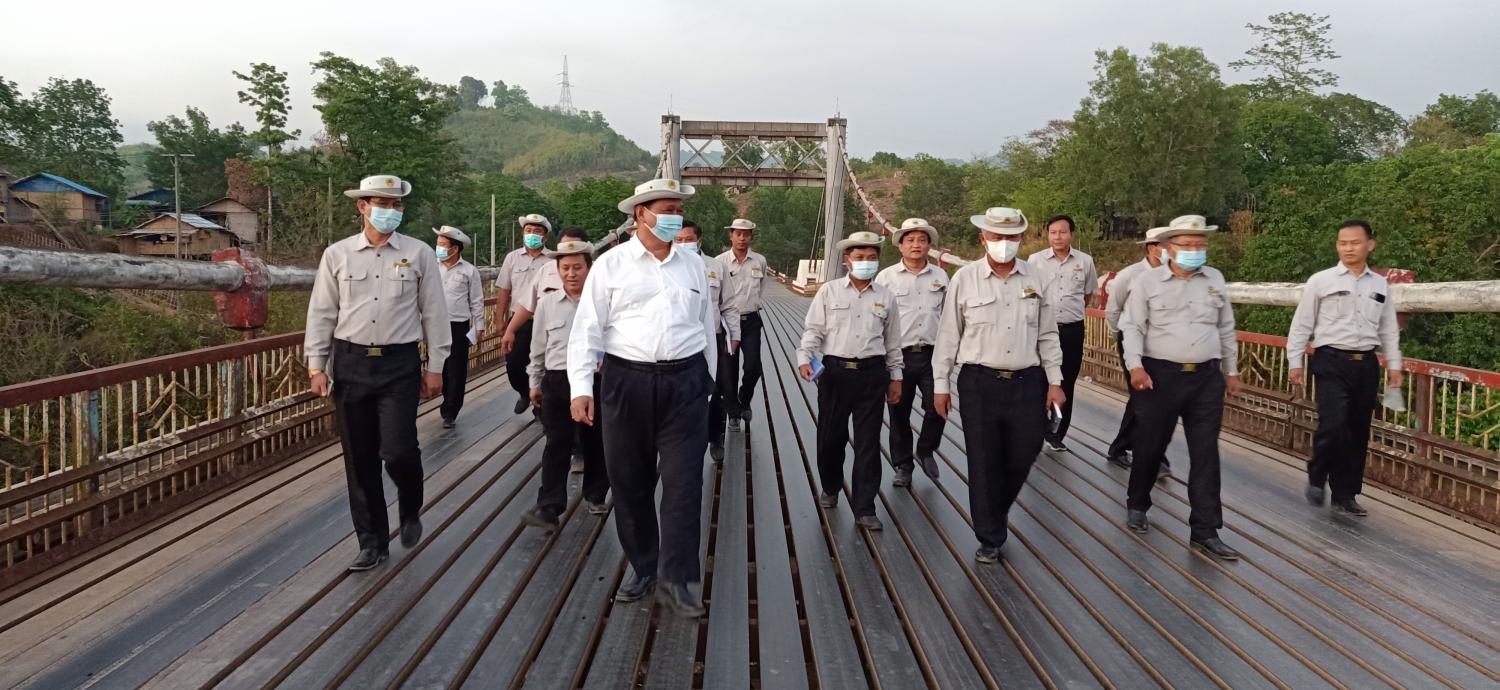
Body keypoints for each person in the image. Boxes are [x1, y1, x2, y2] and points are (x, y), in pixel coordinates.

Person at [569, 178, 717, 618]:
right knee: (629, 482)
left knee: (685, 483)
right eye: (667, 209)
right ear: (641, 214)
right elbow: (587, 329)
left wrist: (709, 381)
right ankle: (644, 566)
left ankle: (679, 579)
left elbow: (705, 325)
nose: (675, 216)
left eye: (678, 209)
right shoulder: (610, 265)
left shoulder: (693, 265)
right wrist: (581, 388)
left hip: (685, 383)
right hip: (626, 382)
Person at [305, 174, 451, 571]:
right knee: (359, 457)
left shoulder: (419, 253)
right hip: (350, 362)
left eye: (396, 204)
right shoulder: (337, 255)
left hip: (399, 364)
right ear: (362, 206)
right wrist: (316, 364)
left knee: (399, 449)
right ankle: (371, 542)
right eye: (382, 203)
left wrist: (436, 366)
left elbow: (434, 313)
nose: (390, 210)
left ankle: (410, 505)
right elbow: (322, 312)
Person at [932, 207, 1066, 564]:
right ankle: (990, 536)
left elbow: (1048, 334)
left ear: (1020, 239)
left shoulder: (1037, 278)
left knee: (1025, 453)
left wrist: (1055, 381)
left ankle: (994, 511)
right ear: (983, 238)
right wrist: (940, 384)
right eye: (996, 237)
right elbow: (948, 335)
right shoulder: (965, 279)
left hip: (1028, 381)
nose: (1004, 243)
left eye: (1011, 237)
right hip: (979, 382)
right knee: (983, 460)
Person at [1118, 214, 1242, 561]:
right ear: (1169, 248)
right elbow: (1132, 326)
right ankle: (1137, 503)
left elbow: (1226, 327)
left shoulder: (1214, 279)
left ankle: (1205, 531)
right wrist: (1135, 366)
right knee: (1150, 444)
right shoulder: (1148, 281)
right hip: (1160, 375)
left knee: (1205, 453)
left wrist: (1231, 370)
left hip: (1206, 377)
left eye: (1200, 244)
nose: (1194, 250)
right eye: (1187, 245)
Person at [1286, 220, 1403, 517]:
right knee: (1334, 423)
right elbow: (1302, 323)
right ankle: (1317, 473)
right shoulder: (1321, 281)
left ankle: (1345, 494)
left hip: (1366, 363)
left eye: (1355, 242)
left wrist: (1394, 364)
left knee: (1357, 431)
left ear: (1370, 245)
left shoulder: (1380, 284)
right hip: (1331, 360)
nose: (1348, 248)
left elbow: (1388, 328)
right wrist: (1295, 361)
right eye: (1343, 243)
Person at [798, 231, 904, 531]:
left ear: (878, 261)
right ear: (848, 261)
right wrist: (804, 357)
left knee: (868, 442)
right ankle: (831, 485)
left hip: (872, 373)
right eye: (859, 258)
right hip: (835, 372)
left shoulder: (886, 297)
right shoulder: (829, 292)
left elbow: (893, 341)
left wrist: (896, 377)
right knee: (831, 438)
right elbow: (814, 330)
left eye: (871, 258)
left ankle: (865, 507)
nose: (865, 262)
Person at [522, 239, 611, 528]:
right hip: (557, 380)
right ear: (558, 270)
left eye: (577, 267)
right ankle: (549, 506)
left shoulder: (603, 302)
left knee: (595, 440)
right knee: (556, 442)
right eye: (565, 268)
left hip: (595, 380)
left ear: (589, 268)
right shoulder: (547, 304)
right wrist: (535, 382)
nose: (571, 274)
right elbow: (538, 347)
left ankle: (596, 494)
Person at [875, 218, 948, 486]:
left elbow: (949, 315)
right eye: (911, 240)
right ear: (900, 246)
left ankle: (926, 448)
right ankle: (903, 465)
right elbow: (877, 317)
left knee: (937, 407)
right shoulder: (886, 278)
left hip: (932, 354)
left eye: (922, 240)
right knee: (899, 412)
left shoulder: (941, 276)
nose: (916, 245)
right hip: (899, 355)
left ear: (929, 245)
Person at [1103, 226, 1172, 478]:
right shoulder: (1129, 276)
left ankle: (1121, 447)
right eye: (1165, 245)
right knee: (1144, 395)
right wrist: (1120, 338)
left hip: (1163, 344)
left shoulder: (1176, 276)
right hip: (1133, 341)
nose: (1171, 250)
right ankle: (1155, 457)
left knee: (1151, 397)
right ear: (1152, 248)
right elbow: (1113, 311)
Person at [1027, 215, 1098, 453]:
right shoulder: (1035, 261)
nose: (1058, 237)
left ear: (1071, 234)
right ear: (1047, 235)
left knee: (1067, 382)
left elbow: (1087, 294)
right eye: (1053, 232)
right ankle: (1036, 428)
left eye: (1063, 232)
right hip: (1041, 330)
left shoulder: (1085, 261)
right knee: (1038, 379)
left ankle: (1056, 433)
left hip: (1071, 330)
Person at [675, 220, 741, 462]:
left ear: (699, 241)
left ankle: (715, 437)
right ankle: (680, 443)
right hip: (681, 341)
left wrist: (734, 336)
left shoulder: (715, 266)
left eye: (688, 240)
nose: (683, 244)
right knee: (682, 393)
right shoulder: (666, 268)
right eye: (678, 240)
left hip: (713, 338)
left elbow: (729, 304)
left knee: (716, 389)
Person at [496, 213, 553, 414]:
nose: (532, 234)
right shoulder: (512, 258)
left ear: (545, 236)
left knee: (544, 364)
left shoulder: (553, 259)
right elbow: (504, 290)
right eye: (528, 231)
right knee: (514, 364)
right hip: (519, 321)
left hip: (546, 320)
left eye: (537, 231)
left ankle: (540, 406)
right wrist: (500, 320)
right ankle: (524, 392)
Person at [717, 219, 769, 429]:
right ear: (731, 235)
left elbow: (761, 287)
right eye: (738, 234)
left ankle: (744, 399)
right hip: (728, 323)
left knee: (753, 366)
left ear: (751, 237)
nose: (742, 238)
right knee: (728, 370)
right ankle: (733, 412)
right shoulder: (720, 262)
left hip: (751, 321)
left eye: (746, 234)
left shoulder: (760, 261)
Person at [435, 226, 485, 429]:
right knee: (439, 367)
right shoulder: (431, 267)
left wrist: (479, 325)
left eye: (442, 245)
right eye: (438, 244)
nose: (438, 248)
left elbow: (477, 300)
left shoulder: (469, 271)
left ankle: (450, 411)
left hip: (458, 326)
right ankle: (442, 399)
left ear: (455, 249)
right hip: (434, 325)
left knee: (456, 370)